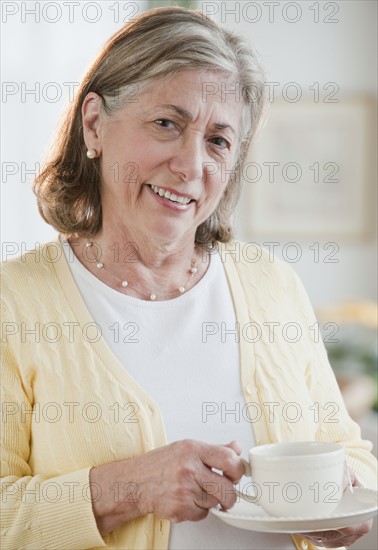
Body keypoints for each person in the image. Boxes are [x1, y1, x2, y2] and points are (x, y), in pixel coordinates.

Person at [1, 6, 376, 550]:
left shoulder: (271, 283)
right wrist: (128, 488)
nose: (191, 165)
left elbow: (349, 451)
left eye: (218, 141)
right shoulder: (16, 302)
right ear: (94, 124)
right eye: (166, 124)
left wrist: (348, 495)